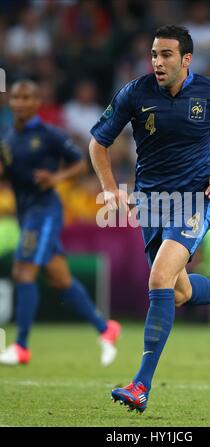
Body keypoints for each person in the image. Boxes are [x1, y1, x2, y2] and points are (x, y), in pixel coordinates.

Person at [89, 25, 210, 413]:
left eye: (165, 55)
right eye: (153, 54)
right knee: (178, 292)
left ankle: (141, 385)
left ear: (186, 60)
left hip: (197, 199)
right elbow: (98, 141)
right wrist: (111, 187)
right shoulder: (135, 93)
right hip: (152, 203)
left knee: (159, 279)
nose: (157, 62)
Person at [0, 80, 121, 366]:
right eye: (16, 97)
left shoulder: (49, 135)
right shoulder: (7, 139)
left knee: (23, 272)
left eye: (26, 97)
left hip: (45, 212)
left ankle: (21, 347)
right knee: (60, 277)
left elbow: (79, 163)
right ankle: (106, 329)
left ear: (36, 102)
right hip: (26, 213)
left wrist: (55, 178)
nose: (19, 102)